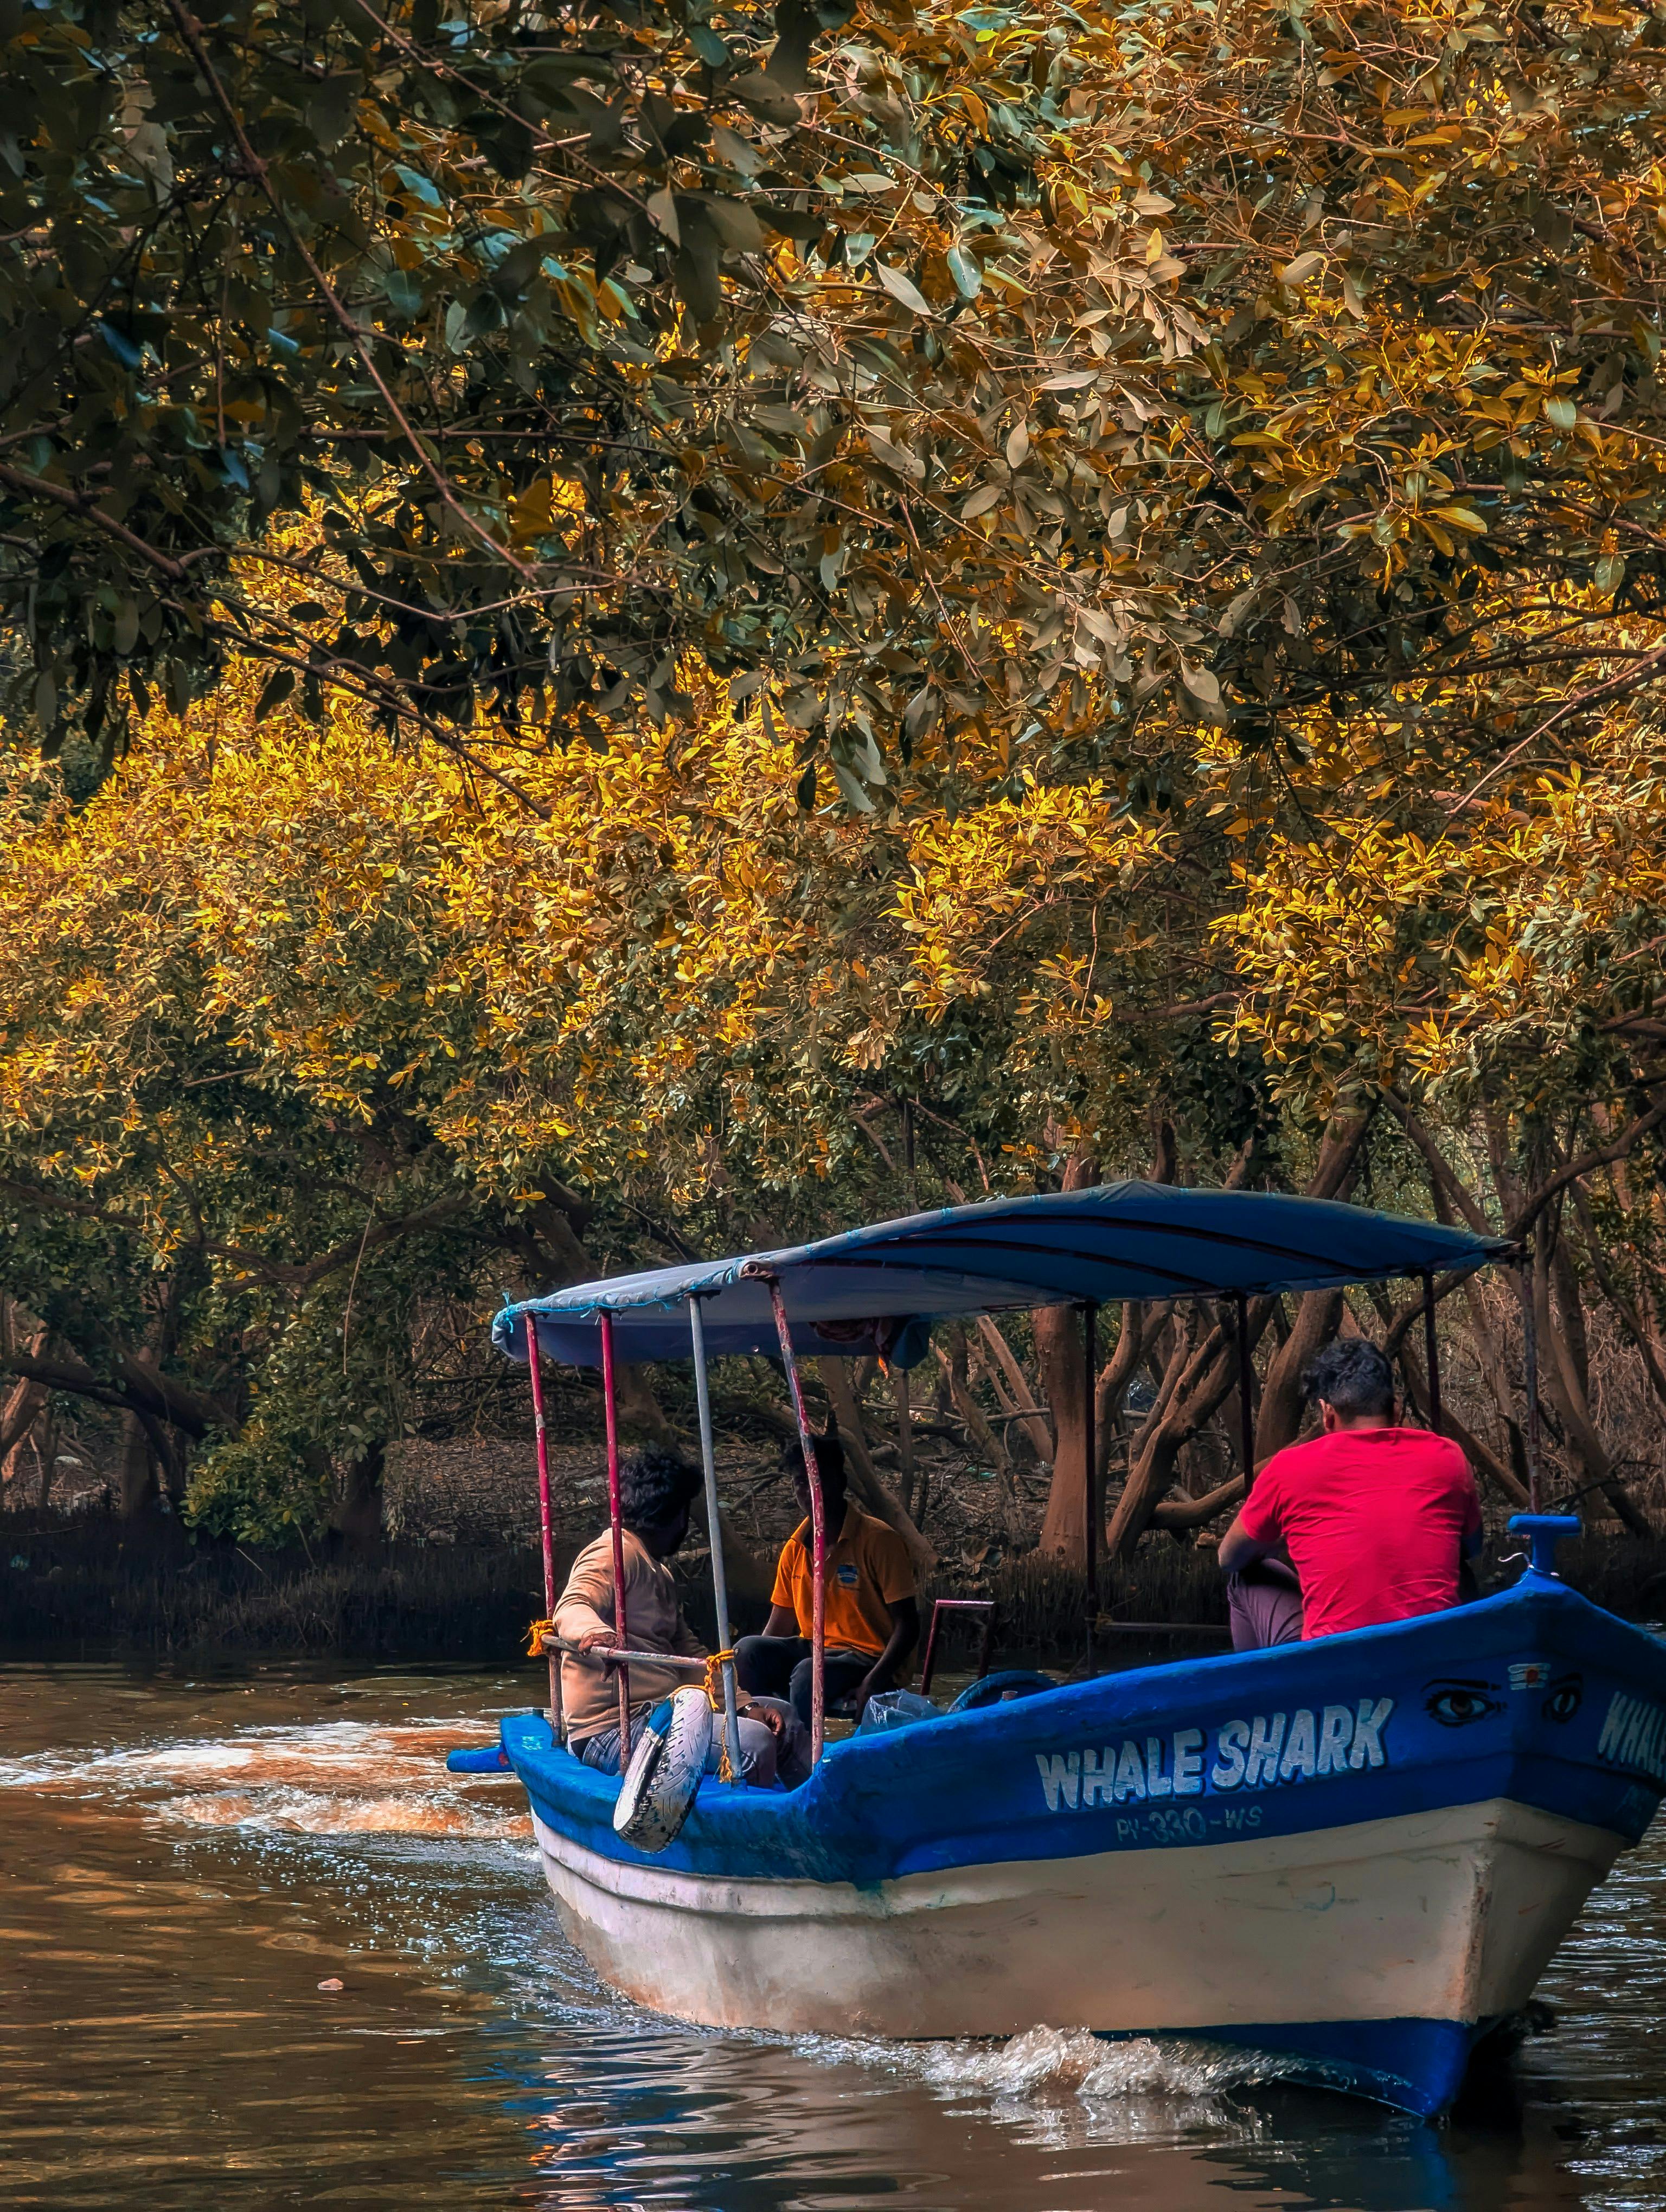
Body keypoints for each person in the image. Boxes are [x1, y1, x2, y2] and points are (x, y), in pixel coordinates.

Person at [554, 1448, 807, 1786]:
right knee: (754, 1742)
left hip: (665, 1713)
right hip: (615, 1730)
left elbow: (691, 1657)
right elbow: (573, 1604)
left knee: (784, 1717)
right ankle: (751, 1817)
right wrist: (595, 1633)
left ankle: (813, 1808)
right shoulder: (613, 1553)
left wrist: (744, 1706)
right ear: (675, 1516)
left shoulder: (658, 1571)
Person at [1217, 1338, 1483, 1649]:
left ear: (1328, 1414)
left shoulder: (1288, 1467)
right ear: (1396, 1409)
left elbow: (1228, 1557)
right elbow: (1473, 1545)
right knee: (1460, 1568)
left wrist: (1278, 1541)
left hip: (1333, 1662)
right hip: (1431, 1652)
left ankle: (1261, 1679)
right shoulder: (1449, 1457)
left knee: (1244, 1576)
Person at [735, 1431, 919, 1729]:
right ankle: (764, 1736)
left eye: (816, 1481)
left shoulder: (879, 1540)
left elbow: (908, 1625)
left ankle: (805, 1749)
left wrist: (873, 1681)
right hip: (814, 1652)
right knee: (747, 1651)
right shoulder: (795, 1548)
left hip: (868, 1658)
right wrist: (749, 1672)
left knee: (808, 1674)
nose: (809, 1492)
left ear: (840, 1482)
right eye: (800, 1483)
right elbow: (777, 1627)